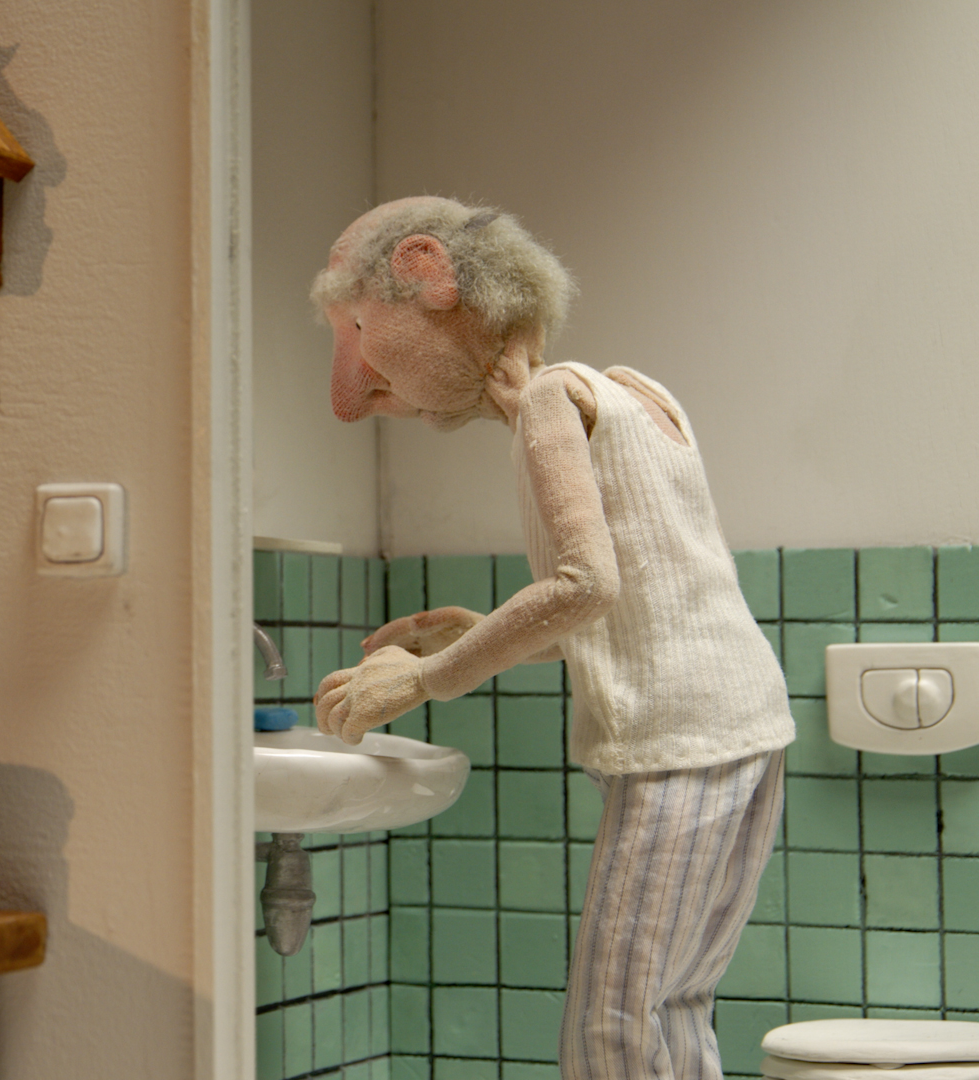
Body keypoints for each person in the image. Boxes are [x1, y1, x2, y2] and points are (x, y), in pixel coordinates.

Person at [310, 196, 794, 1080]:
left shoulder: (547, 400)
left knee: (609, 1030)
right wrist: (481, 633)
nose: (355, 394)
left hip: (678, 741)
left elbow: (584, 586)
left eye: (359, 328)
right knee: (675, 1008)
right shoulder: (628, 391)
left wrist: (423, 681)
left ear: (429, 274)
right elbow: (643, 601)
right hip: (746, 728)